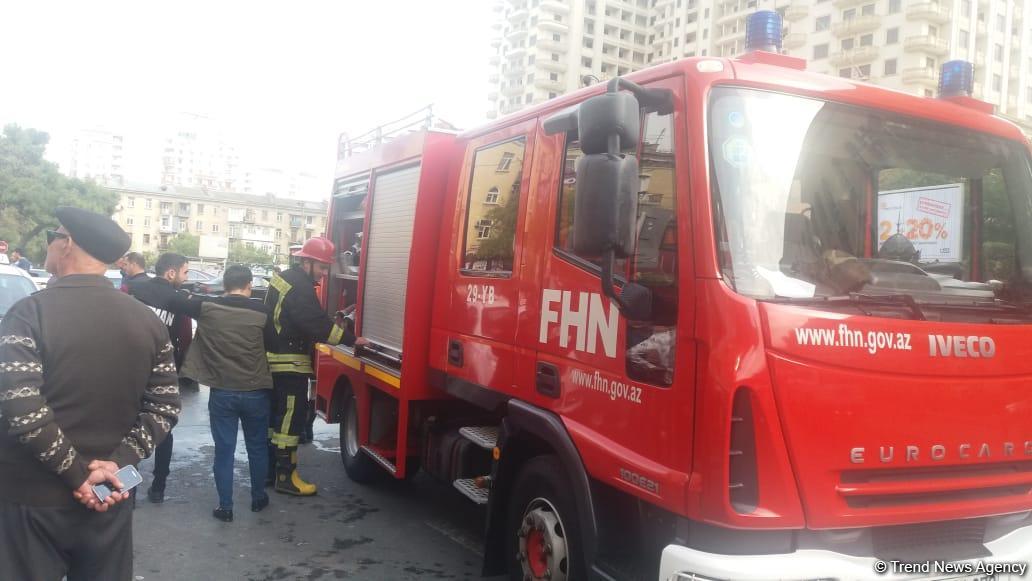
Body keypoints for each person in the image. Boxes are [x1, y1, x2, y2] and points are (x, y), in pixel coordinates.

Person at [0, 207, 180, 580]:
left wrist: (76, 476)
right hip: (109, 498)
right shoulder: (146, 321)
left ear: (66, 245)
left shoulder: (28, 314)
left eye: (54, 234)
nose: (49, 242)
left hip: (32, 501)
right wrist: (115, 464)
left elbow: (22, 410)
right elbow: (165, 407)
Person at [167, 265, 274, 521]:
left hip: (222, 392)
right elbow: (272, 346)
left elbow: (172, 299)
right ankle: (258, 498)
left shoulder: (207, 308)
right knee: (257, 447)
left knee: (224, 450)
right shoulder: (263, 312)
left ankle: (225, 507)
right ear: (249, 284)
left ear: (225, 285)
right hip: (255, 391)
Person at [265, 236, 365, 495]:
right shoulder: (300, 287)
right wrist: (353, 340)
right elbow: (317, 325)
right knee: (290, 421)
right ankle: (286, 478)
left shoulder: (285, 278)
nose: (323, 274)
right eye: (321, 267)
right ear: (306, 262)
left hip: (275, 359)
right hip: (289, 364)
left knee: (276, 420)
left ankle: (270, 472)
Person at [126, 252, 192, 503]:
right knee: (164, 429)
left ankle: (128, 493)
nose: (186, 279)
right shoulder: (178, 300)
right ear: (171, 273)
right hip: (163, 375)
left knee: (129, 429)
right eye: (185, 272)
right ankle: (159, 487)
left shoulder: (133, 289)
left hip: (129, 371)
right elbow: (185, 336)